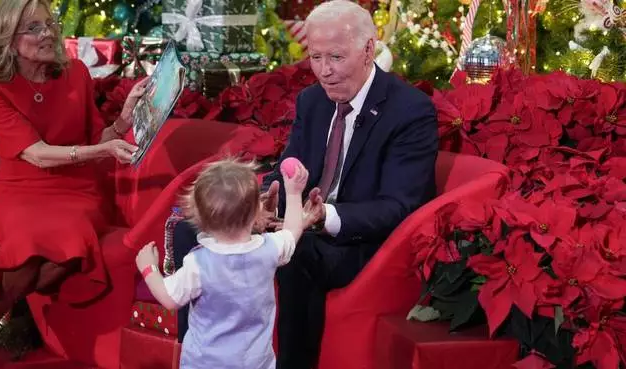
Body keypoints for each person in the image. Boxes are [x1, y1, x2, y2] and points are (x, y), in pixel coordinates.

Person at [171, 0, 439, 367]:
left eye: (335, 57)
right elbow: (290, 170)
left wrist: (323, 215)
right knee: (195, 232)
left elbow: (399, 205)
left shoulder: (410, 110)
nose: (324, 71)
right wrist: (261, 204)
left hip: (360, 241)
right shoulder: (312, 100)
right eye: (315, 58)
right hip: (303, 223)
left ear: (367, 49)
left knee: (297, 256)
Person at [0, 1, 148, 368]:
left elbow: (92, 139)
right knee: (27, 241)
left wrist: (123, 120)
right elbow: (36, 155)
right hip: (21, 190)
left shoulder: (77, 73)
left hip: (76, 192)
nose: (48, 32)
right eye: (35, 28)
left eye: (49, 23)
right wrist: (101, 148)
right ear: (9, 41)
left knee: (72, 241)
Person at [136, 158, 311, 368]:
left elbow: (169, 298)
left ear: (197, 216)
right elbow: (292, 232)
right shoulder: (269, 248)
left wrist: (149, 268)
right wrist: (293, 193)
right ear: (257, 212)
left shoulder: (198, 263)